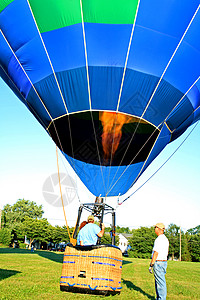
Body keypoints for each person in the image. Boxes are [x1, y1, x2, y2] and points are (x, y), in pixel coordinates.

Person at [149, 222, 169, 300]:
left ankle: (161, 298)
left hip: (158, 262)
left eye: (155, 227)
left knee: (160, 283)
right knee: (159, 282)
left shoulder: (159, 240)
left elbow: (156, 253)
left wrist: (151, 264)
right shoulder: (165, 239)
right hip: (164, 262)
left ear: (159, 229)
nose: (154, 229)